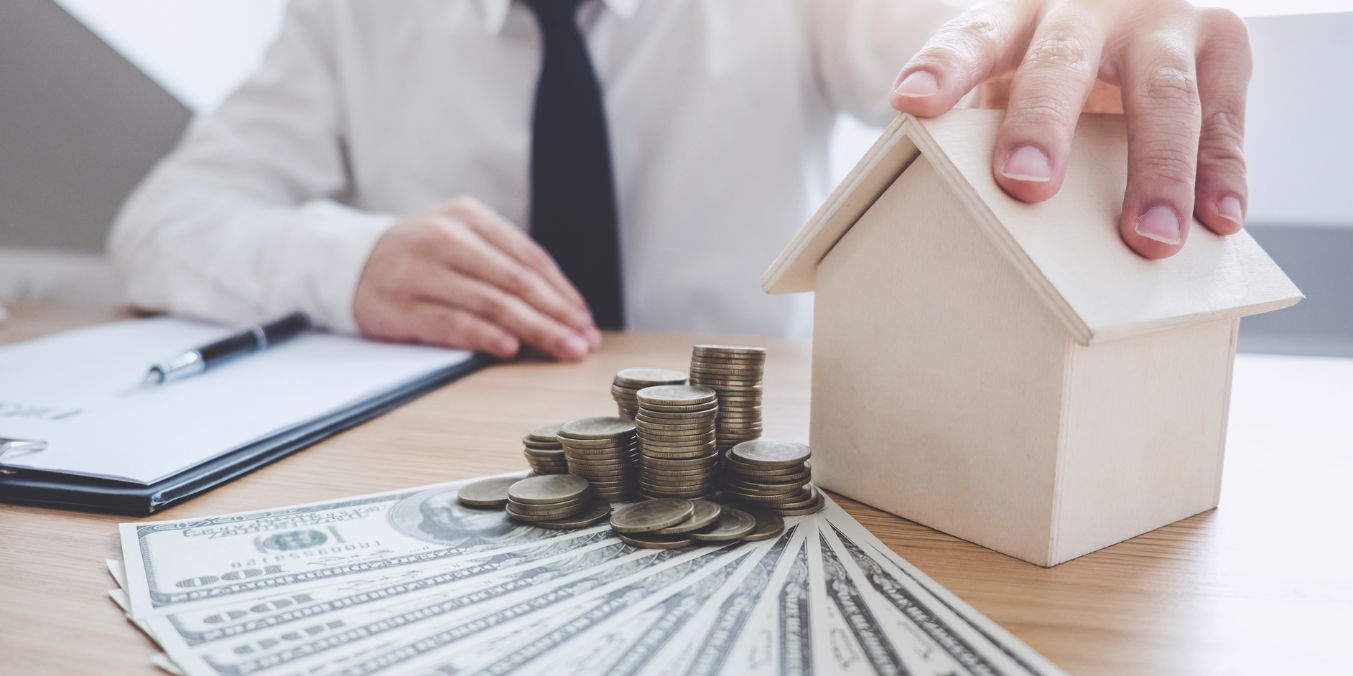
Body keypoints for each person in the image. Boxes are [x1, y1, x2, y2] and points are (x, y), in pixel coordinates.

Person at [110, 0, 1252, 362]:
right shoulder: (351, 17)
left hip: (761, 467)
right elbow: (159, 222)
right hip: (452, 464)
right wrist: (350, 260)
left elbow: (961, 29)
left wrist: (1069, 23)